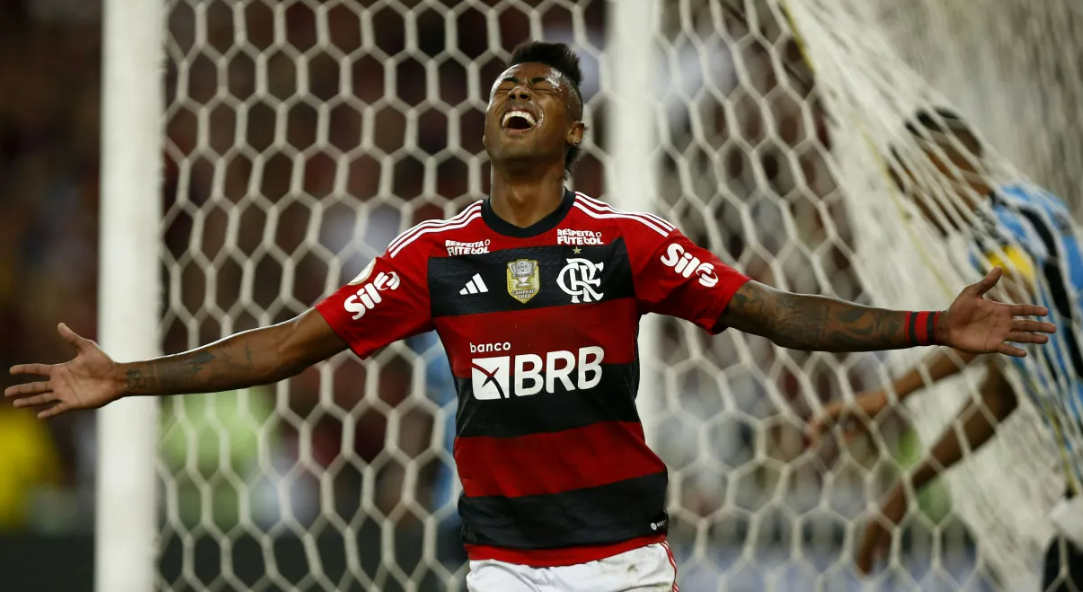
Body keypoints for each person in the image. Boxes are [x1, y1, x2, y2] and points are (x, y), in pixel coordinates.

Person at [5, 45, 1055, 592]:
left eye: (541, 88)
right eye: (504, 84)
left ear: (574, 129)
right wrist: (131, 375)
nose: (515, 94)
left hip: (622, 557)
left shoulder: (625, 243)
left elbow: (776, 312)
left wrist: (931, 324)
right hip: (504, 563)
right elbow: (286, 343)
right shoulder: (433, 255)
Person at [809, 108, 1083, 590]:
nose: (913, 207)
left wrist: (889, 395)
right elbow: (999, 395)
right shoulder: (1029, 214)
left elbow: (991, 326)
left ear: (943, 164)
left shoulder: (1003, 225)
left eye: (910, 187)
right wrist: (905, 489)